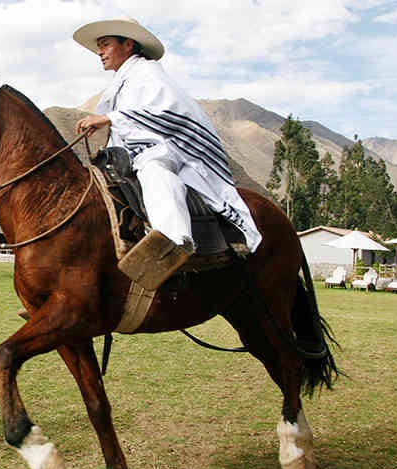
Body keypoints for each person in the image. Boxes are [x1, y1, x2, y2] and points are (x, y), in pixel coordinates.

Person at [72, 17, 262, 286]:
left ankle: (174, 244)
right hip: (132, 153)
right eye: (99, 47)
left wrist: (110, 119)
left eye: (105, 44)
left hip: (168, 150)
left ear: (128, 44)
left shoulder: (148, 73)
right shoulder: (122, 82)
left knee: (155, 171)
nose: (100, 52)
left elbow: (167, 113)